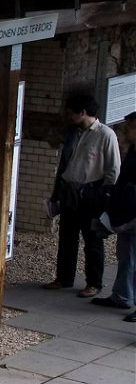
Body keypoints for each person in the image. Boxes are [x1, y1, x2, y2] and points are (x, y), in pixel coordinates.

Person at [44, 93, 121, 297]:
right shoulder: (73, 132)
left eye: (71, 113)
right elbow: (65, 162)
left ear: (83, 112)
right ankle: (64, 277)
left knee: (92, 240)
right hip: (70, 190)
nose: (69, 117)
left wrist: (102, 195)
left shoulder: (106, 135)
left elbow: (113, 169)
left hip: (91, 191)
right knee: (67, 238)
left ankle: (94, 282)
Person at [92, 110, 136, 320]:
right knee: (125, 255)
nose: (125, 132)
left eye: (128, 127)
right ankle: (122, 295)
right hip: (128, 213)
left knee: (132, 258)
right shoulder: (133, 150)